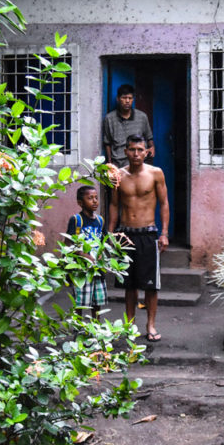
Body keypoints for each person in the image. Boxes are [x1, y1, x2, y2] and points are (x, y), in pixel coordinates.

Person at [107, 134, 169, 341]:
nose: (136, 154)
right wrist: (110, 232)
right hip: (126, 234)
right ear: (125, 151)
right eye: (132, 150)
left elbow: (164, 203)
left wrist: (164, 233)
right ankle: (129, 325)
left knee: (151, 285)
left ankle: (151, 326)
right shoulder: (119, 175)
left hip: (148, 233)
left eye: (140, 150)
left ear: (146, 151)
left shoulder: (156, 173)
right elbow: (114, 204)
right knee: (129, 284)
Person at [66, 185, 107, 317]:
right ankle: (78, 328)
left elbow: (103, 241)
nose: (95, 201)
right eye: (90, 198)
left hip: (97, 269)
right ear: (80, 203)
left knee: (97, 302)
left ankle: (96, 329)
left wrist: (101, 254)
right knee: (80, 301)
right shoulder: (77, 220)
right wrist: (83, 255)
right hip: (81, 270)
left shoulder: (100, 220)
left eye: (96, 198)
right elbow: (69, 243)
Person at [102, 83, 155, 167]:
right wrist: (109, 161)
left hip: (138, 163)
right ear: (118, 99)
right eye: (124, 98)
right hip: (118, 163)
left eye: (130, 98)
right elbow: (107, 142)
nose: (127, 101)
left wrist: (152, 147)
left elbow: (149, 137)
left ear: (133, 99)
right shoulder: (109, 118)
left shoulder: (142, 117)